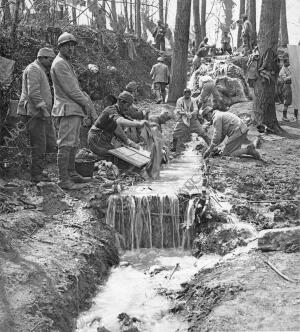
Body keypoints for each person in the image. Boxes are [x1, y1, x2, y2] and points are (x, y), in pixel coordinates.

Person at [51, 32, 94, 190]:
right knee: (66, 144)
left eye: (72, 46)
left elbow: (75, 89)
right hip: (67, 109)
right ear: (60, 47)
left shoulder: (65, 62)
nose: (71, 48)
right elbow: (72, 90)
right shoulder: (60, 63)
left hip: (73, 109)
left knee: (74, 143)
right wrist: (86, 104)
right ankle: (64, 179)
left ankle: (71, 173)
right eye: (67, 45)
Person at [17, 47, 57, 183]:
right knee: (38, 144)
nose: (51, 62)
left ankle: (38, 170)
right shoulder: (34, 69)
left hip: (38, 113)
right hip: (34, 113)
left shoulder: (39, 69)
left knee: (42, 143)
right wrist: (45, 111)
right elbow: (33, 92)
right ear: (42, 58)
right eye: (50, 60)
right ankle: (36, 175)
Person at [87, 91, 148, 160]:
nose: (128, 108)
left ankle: (96, 156)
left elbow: (118, 131)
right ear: (121, 102)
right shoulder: (111, 110)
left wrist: (130, 143)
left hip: (103, 140)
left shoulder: (118, 113)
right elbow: (120, 121)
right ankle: (90, 156)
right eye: (127, 105)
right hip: (96, 139)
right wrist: (138, 124)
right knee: (114, 158)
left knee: (117, 156)